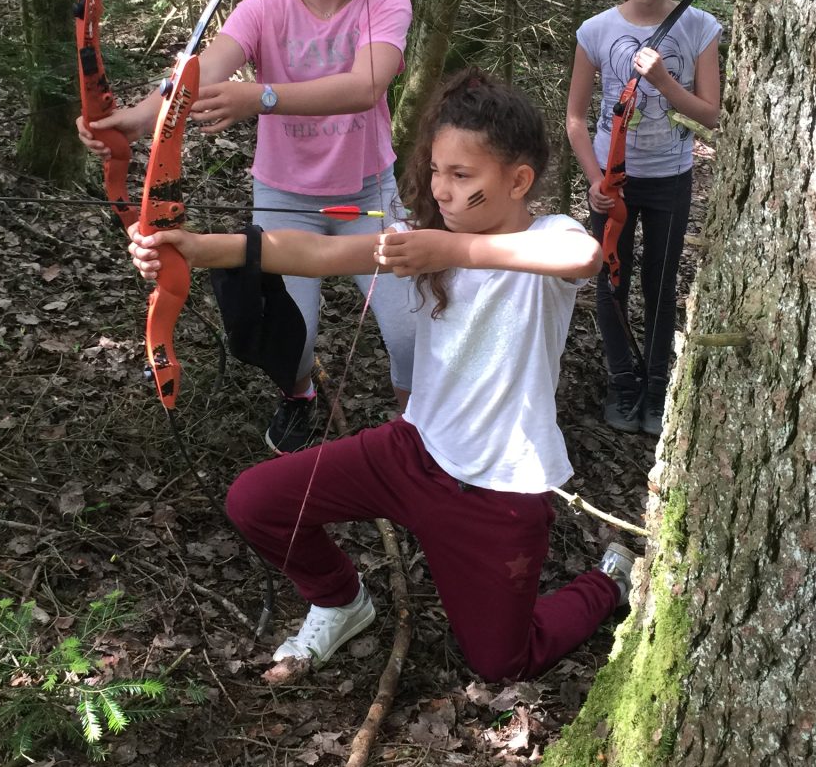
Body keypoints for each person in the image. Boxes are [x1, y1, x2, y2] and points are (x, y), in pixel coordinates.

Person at [127, 69, 637, 682]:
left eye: (462, 176)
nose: (442, 191)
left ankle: (608, 581)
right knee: (256, 501)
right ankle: (342, 601)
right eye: (436, 172)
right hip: (412, 450)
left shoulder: (547, 236)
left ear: (518, 180)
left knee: (503, 662)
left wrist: (446, 250)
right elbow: (316, 253)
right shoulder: (424, 238)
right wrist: (196, 247)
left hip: (499, 489)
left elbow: (580, 258)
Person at [78, 0, 417, 454]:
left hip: (367, 196)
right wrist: (129, 122)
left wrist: (258, 96)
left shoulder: (385, 0)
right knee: (292, 337)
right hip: (285, 197)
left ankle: (418, 427)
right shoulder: (263, 7)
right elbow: (200, 72)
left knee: (410, 328)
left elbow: (367, 84)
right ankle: (299, 396)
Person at [566, 0, 722, 437]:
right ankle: (621, 383)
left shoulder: (699, 27)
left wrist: (663, 81)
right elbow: (575, 118)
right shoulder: (597, 31)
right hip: (612, 181)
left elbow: (710, 113)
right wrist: (594, 180)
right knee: (610, 281)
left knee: (659, 282)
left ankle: (656, 387)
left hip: (671, 179)